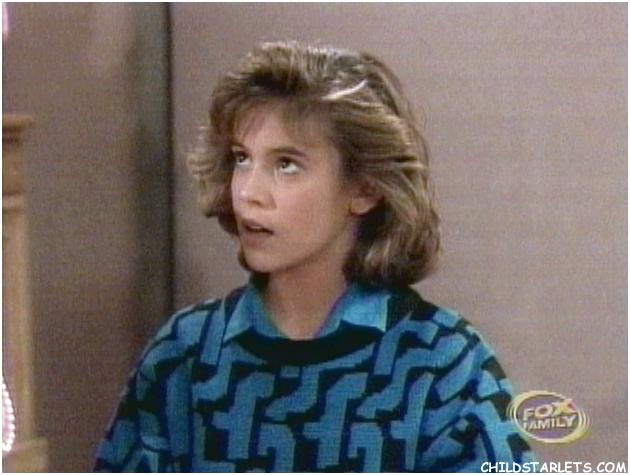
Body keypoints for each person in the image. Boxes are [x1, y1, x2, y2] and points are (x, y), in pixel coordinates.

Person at [94, 41, 537, 472]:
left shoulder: (444, 364)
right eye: (242, 159)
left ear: (364, 187)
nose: (248, 193)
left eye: (286, 164)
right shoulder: (185, 355)